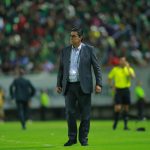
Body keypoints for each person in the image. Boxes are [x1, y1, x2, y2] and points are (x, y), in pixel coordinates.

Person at [56, 26, 102, 146]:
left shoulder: (89, 50)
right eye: (70, 35)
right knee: (70, 113)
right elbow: (61, 69)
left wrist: (99, 83)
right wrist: (59, 83)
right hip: (69, 86)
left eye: (73, 36)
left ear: (80, 37)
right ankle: (72, 138)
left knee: (85, 114)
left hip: (84, 86)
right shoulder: (65, 50)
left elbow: (97, 68)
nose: (71, 38)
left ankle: (83, 138)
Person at [108, 56, 136, 130]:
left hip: (126, 89)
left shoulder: (129, 69)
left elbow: (133, 77)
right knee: (118, 108)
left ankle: (125, 126)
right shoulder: (115, 69)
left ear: (126, 62)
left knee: (126, 108)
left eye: (124, 60)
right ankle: (115, 124)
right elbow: (109, 78)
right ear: (119, 61)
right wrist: (112, 86)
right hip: (118, 90)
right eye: (121, 60)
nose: (122, 62)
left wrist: (128, 68)